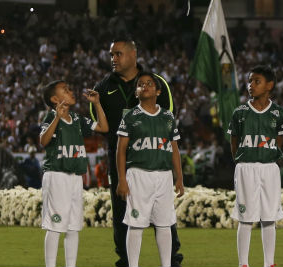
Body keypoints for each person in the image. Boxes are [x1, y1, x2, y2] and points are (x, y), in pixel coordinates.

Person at [92, 40, 180, 267]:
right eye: (111, 54)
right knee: (123, 214)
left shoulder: (156, 82)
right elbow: (99, 124)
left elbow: (167, 122)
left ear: (133, 54)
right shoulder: (102, 87)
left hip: (157, 159)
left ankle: (171, 260)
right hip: (121, 158)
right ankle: (126, 261)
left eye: (118, 54)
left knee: (164, 218)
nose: (113, 58)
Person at [116, 73, 184, 267]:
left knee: (164, 224)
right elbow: (120, 150)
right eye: (140, 84)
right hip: (138, 174)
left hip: (163, 176)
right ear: (136, 92)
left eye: (149, 84)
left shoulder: (168, 117)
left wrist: (179, 178)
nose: (144, 86)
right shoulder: (130, 116)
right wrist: (122, 179)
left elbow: (174, 150)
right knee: (136, 224)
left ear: (158, 91)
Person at [38, 80, 109, 267]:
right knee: (55, 227)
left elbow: (103, 128)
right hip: (57, 175)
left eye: (70, 88)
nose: (71, 91)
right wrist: (56, 118)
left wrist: (97, 104)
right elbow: (43, 141)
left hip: (76, 177)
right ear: (55, 99)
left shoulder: (77, 119)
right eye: (65, 90)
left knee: (73, 228)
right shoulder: (50, 117)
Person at [228, 65, 283, 267]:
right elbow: (234, 141)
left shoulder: (279, 113)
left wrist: (269, 153)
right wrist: (241, 159)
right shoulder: (240, 112)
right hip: (246, 167)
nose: (250, 85)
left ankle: (269, 263)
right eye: (249, 81)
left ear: (269, 85)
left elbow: (280, 138)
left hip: (269, 167)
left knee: (269, 217)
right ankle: (243, 264)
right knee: (246, 218)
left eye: (256, 81)